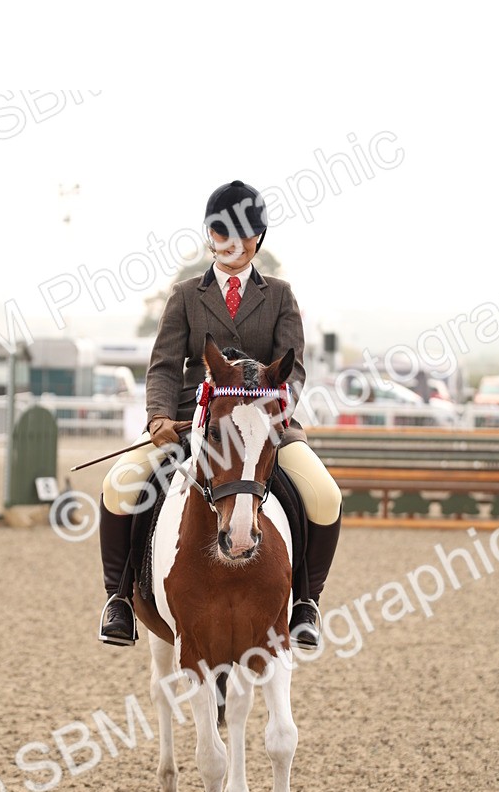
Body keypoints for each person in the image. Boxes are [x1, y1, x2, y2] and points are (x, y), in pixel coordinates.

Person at [98, 179, 343, 648]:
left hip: (264, 424)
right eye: (223, 233)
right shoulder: (186, 294)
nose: (234, 244)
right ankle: (120, 600)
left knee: (324, 495)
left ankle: (307, 603)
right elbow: (164, 365)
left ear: (259, 237)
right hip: (193, 420)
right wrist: (158, 417)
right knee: (119, 485)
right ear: (210, 235)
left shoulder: (280, 295)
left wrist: (274, 411)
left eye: (245, 234)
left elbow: (293, 369)